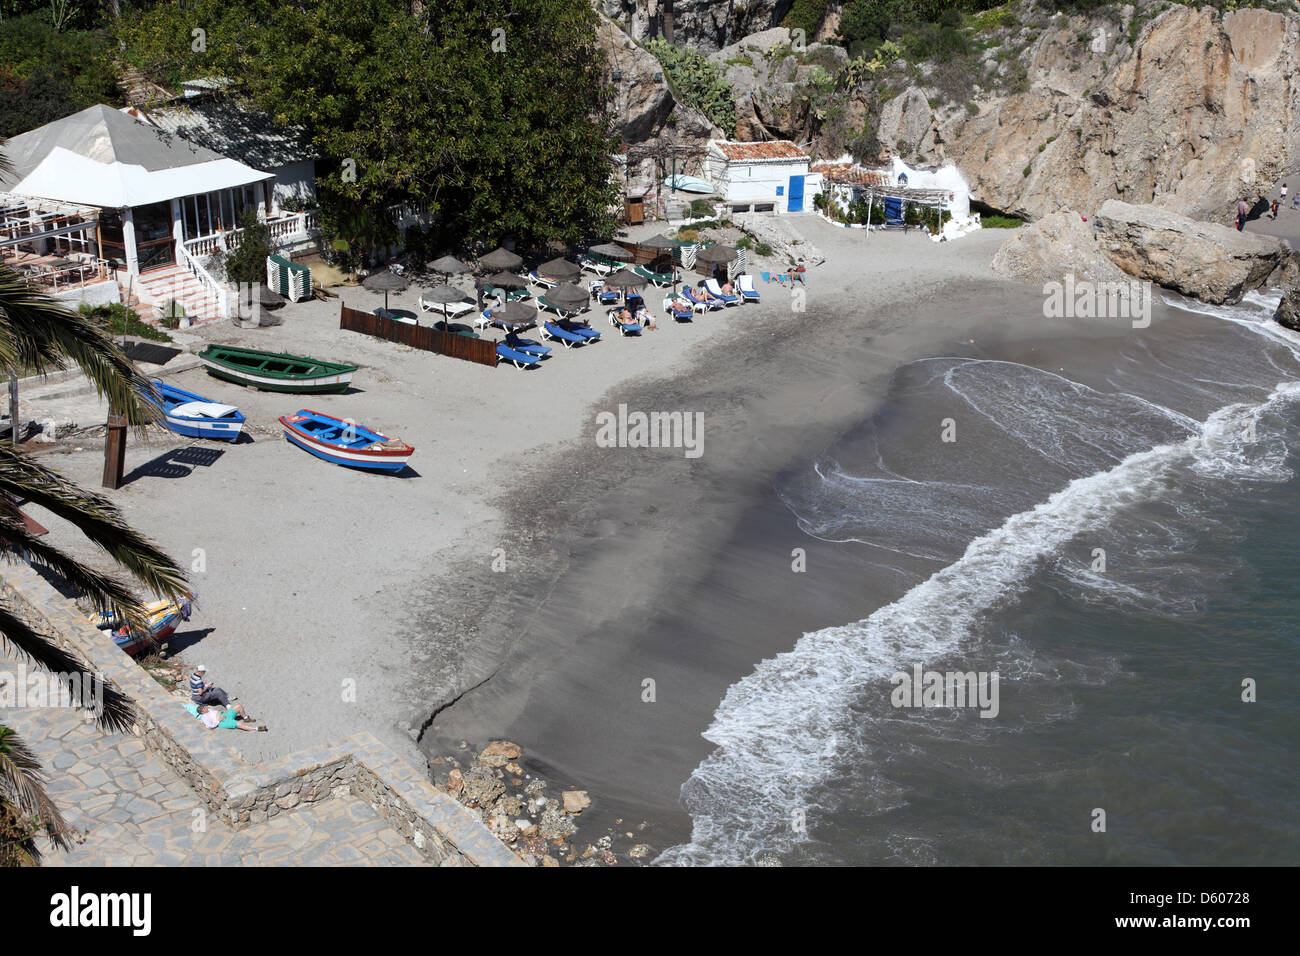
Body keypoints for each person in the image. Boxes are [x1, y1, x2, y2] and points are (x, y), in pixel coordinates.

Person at [195, 703, 265, 732]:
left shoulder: (208, 710)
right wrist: (219, 720)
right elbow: (209, 726)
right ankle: (256, 728)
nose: (206, 707)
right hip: (222, 722)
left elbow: (216, 713)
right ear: (202, 711)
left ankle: (246, 718)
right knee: (239, 724)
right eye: (204, 707)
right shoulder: (205, 718)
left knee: (238, 706)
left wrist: (220, 714)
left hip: (225, 715)